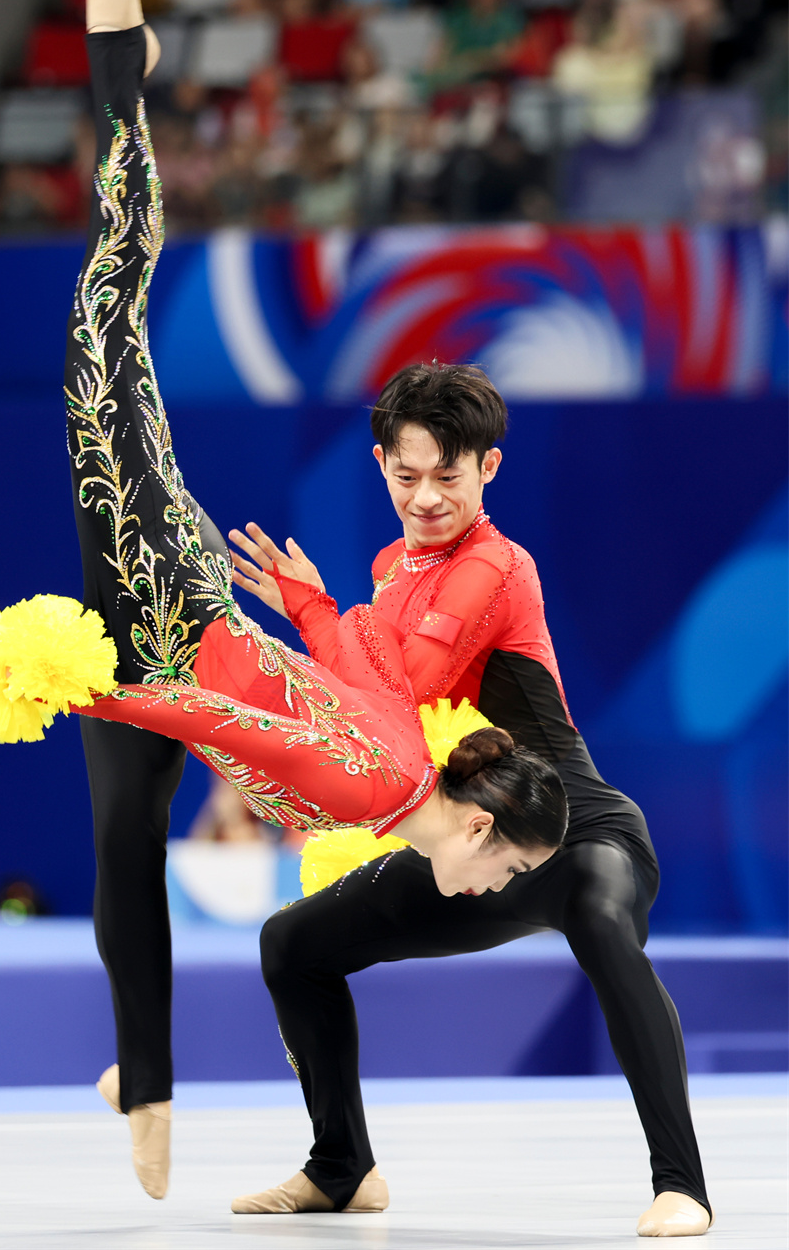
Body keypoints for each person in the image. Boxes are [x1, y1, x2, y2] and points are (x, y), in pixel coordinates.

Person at [32, 0, 566, 1210]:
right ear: (478, 829)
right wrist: (84, 686)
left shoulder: (398, 780)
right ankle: (123, 89)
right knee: (103, 326)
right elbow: (233, 722)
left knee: (122, 840)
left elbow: (353, 664)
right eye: (505, 875)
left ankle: (147, 1081)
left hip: (172, 652)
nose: (492, 896)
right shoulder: (382, 783)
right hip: (166, 616)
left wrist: (310, 606)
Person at [227, 366, 714, 1238]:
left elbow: (402, 691)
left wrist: (315, 613)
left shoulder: (496, 565)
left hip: (577, 833)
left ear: (489, 466)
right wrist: (313, 620)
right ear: (380, 464)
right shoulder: (391, 568)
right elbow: (371, 703)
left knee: (599, 919)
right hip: (472, 844)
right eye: (406, 474)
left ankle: (682, 1185)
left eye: (448, 475)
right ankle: (342, 1166)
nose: (426, 497)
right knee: (291, 944)